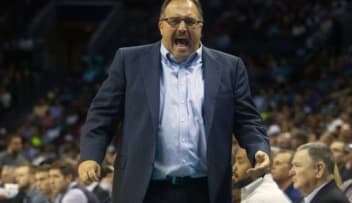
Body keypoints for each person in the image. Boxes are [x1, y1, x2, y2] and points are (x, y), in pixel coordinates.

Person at [78, 0, 271, 202]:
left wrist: (258, 148)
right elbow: (102, 115)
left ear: (200, 27)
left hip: (205, 191)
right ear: (161, 26)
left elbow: (247, 120)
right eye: (174, 21)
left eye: (189, 21)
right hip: (143, 190)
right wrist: (90, 156)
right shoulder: (129, 61)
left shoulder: (230, 67)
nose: (182, 27)